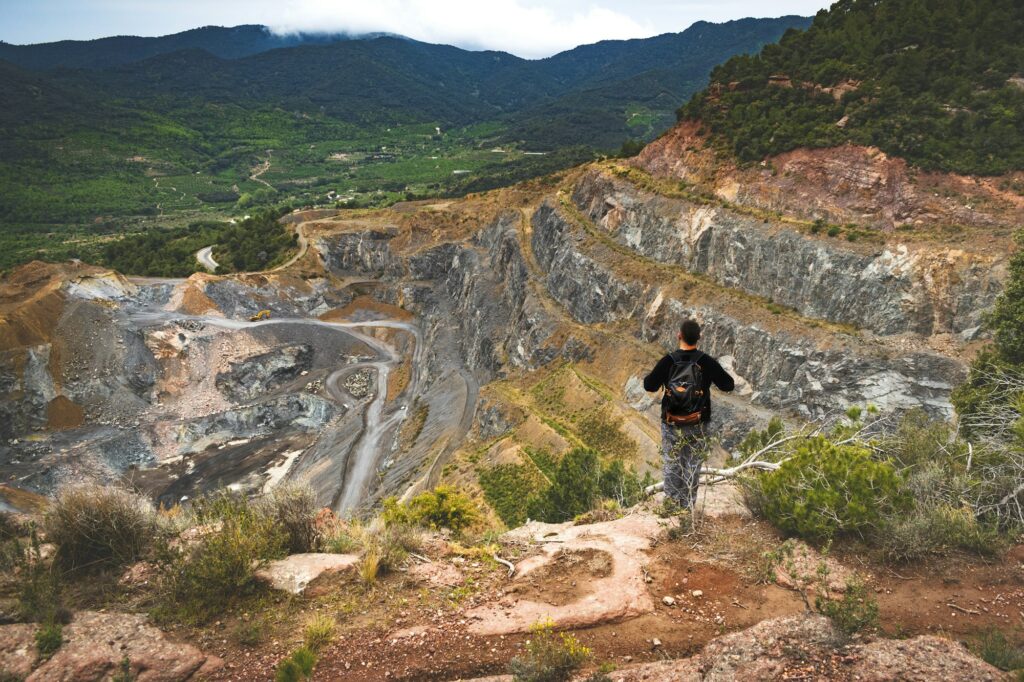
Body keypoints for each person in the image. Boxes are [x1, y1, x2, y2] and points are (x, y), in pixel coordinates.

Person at [643, 319, 734, 509]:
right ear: (699, 338)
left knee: (672, 464)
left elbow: (649, 385)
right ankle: (688, 508)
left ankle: (670, 507)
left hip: (671, 424)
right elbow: (728, 384)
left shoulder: (668, 361)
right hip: (698, 424)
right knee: (693, 465)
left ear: (679, 336)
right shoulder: (706, 361)